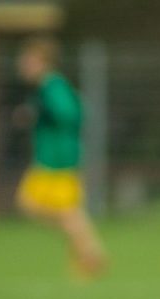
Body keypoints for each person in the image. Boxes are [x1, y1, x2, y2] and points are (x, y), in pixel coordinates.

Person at [15, 36, 106, 278]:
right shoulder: (45, 88)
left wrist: (40, 113)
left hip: (58, 160)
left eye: (29, 60)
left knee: (62, 211)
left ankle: (90, 254)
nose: (23, 64)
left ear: (43, 62)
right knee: (35, 207)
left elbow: (71, 113)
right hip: (49, 159)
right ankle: (87, 249)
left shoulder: (52, 86)